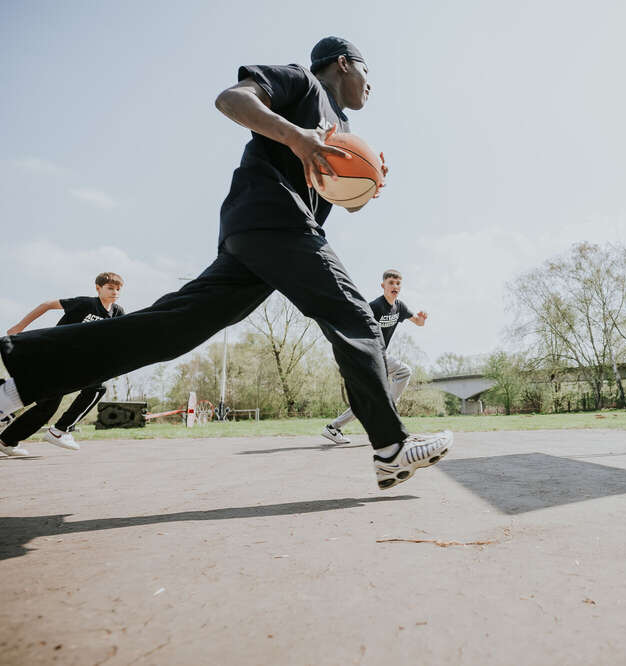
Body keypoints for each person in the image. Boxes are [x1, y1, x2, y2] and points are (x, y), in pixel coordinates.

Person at [0, 36, 451, 489]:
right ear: (344, 63)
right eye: (368, 74)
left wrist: (367, 185)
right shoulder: (303, 83)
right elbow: (231, 99)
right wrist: (297, 137)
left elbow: (338, 198)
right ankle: (391, 448)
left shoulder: (343, 126)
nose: (371, 86)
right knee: (354, 315)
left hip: (259, 237)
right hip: (275, 220)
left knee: (169, 329)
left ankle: (17, 380)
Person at [0, 272, 126, 457]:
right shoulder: (85, 304)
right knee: (91, 389)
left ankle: (7, 440)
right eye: (110, 288)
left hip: (76, 363)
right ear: (98, 288)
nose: (114, 292)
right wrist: (19, 328)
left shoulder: (118, 312)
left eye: (118, 289)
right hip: (54, 355)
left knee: (51, 404)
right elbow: (47, 305)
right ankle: (59, 430)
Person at [323, 269, 427, 445]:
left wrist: (422, 318)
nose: (395, 286)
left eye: (398, 283)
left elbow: (417, 321)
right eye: (391, 283)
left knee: (371, 398)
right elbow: (355, 324)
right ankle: (388, 409)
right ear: (383, 286)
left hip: (379, 355)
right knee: (403, 371)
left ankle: (333, 427)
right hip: (367, 355)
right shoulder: (375, 307)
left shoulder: (399, 307)